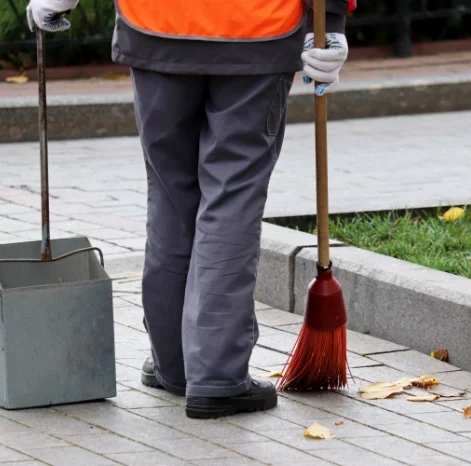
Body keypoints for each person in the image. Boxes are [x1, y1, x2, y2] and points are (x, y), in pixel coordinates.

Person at [27, 0, 355, 418]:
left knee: (170, 194)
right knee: (231, 196)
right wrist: (332, 22)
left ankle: (176, 366)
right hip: (254, 29)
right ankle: (216, 374)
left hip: (156, 23)